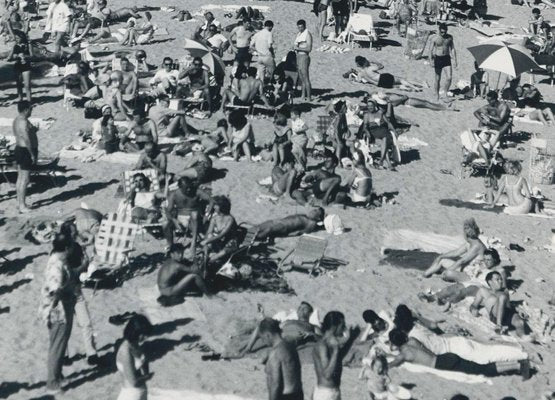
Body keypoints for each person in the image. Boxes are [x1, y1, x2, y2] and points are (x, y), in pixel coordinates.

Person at [387, 328, 529, 379]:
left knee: (483, 370)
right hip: (445, 356)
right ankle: (516, 364)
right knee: (478, 365)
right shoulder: (412, 340)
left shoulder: (404, 354)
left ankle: (518, 365)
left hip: (443, 364)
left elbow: (392, 364)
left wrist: (389, 355)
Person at [59, 221, 100, 366]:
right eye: (72, 233)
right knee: (65, 326)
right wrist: (83, 265)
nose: (75, 235)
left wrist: (87, 262)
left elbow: (84, 265)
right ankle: (63, 355)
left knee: (86, 323)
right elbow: (69, 272)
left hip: (76, 291)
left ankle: (91, 353)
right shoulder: (58, 252)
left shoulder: (76, 247)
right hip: (64, 294)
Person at [39, 233, 75, 395]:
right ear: (66, 248)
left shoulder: (57, 259)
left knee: (60, 344)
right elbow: (55, 291)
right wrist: (66, 297)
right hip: (58, 312)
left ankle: (58, 376)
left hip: (59, 309)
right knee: (57, 347)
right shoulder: (57, 265)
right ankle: (52, 383)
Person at [312, 311, 358, 400]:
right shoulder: (322, 346)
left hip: (332, 391)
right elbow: (327, 374)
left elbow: (338, 358)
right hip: (326, 393)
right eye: (342, 325)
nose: (344, 328)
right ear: (334, 327)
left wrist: (351, 338)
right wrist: (336, 350)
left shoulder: (330, 343)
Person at [470, 271, 529, 337]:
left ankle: (524, 337)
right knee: (502, 297)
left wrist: (518, 310)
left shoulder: (505, 290)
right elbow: (474, 305)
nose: (500, 281)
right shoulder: (483, 291)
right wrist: (473, 310)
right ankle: (499, 326)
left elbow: (508, 305)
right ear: (490, 282)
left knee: (520, 322)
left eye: (501, 279)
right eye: (497, 279)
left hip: (507, 314)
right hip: (495, 315)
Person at [163, 177, 213, 252]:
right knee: (165, 224)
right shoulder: (175, 194)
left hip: (195, 219)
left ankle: (193, 244)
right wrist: (175, 221)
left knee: (194, 214)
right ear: (180, 187)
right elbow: (168, 211)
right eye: (185, 188)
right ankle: (170, 245)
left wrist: (207, 214)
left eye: (189, 187)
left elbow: (211, 200)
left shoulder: (196, 191)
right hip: (180, 219)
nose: (189, 190)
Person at [259, 318, 304, 400]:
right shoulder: (291, 346)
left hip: (286, 396)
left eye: (263, 338)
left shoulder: (276, 353)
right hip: (298, 394)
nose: (263, 342)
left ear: (268, 335)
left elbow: (275, 384)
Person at [115, 314, 153, 400]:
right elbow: (133, 382)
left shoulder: (135, 344)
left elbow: (143, 361)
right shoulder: (125, 351)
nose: (145, 337)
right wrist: (147, 376)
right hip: (131, 395)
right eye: (143, 334)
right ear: (135, 332)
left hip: (140, 392)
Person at [13, 100, 38, 213]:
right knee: (25, 179)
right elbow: (26, 139)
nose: (32, 111)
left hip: (19, 149)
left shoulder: (18, 120)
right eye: (31, 109)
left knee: (20, 178)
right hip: (25, 151)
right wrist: (32, 154)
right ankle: (22, 206)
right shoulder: (22, 122)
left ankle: (20, 203)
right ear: (26, 109)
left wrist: (34, 129)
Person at [359, 98, 396, 169]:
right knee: (384, 141)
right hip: (373, 132)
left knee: (384, 140)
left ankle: (382, 161)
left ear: (375, 105)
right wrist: (367, 132)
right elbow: (365, 127)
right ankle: (388, 163)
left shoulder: (380, 113)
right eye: (368, 106)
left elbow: (388, 123)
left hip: (382, 131)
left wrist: (394, 131)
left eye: (371, 106)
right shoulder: (367, 115)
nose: (370, 107)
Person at [353, 57, 428, 92]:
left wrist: (352, 76)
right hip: (384, 77)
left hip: (380, 84)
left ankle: (412, 87)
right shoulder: (370, 68)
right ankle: (418, 87)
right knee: (402, 80)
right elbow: (381, 66)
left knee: (398, 84)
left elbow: (358, 81)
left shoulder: (361, 73)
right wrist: (374, 61)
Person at [201, 196, 238, 264]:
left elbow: (222, 235)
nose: (214, 207)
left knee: (213, 259)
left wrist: (207, 241)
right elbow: (209, 232)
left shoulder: (230, 219)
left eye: (216, 205)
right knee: (204, 256)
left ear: (222, 207)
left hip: (228, 243)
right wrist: (208, 240)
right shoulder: (214, 218)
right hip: (216, 241)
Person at [255, 208, 325, 241]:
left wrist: (286, 235)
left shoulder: (311, 223)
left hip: (284, 227)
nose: (312, 211)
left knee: (269, 230)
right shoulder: (306, 216)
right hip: (279, 221)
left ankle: (255, 238)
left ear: (318, 218)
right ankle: (248, 236)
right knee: (257, 228)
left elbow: (299, 233)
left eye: (315, 212)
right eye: (314, 210)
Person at [429, 23, 457, 100]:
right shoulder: (434, 38)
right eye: (441, 32)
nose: (443, 34)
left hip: (447, 58)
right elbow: (430, 50)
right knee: (437, 79)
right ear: (439, 30)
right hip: (438, 58)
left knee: (449, 77)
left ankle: (445, 93)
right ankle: (437, 94)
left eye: (444, 32)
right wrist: (430, 60)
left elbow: (453, 49)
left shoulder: (449, 38)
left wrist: (455, 60)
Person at [8, 29, 32, 102]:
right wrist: (14, 52)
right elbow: (10, 57)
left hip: (26, 66)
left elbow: (32, 56)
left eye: (18, 38)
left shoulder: (28, 45)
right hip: (18, 66)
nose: (17, 40)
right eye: (16, 38)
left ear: (22, 37)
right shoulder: (15, 46)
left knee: (27, 85)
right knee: (19, 85)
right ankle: (20, 99)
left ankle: (29, 101)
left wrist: (25, 56)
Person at [294, 20, 313, 101]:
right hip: (298, 56)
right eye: (299, 27)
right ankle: (303, 95)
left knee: (306, 77)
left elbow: (309, 48)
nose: (300, 29)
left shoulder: (307, 35)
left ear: (304, 26)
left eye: (301, 27)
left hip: (304, 56)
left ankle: (308, 97)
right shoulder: (299, 34)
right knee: (301, 78)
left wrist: (298, 48)